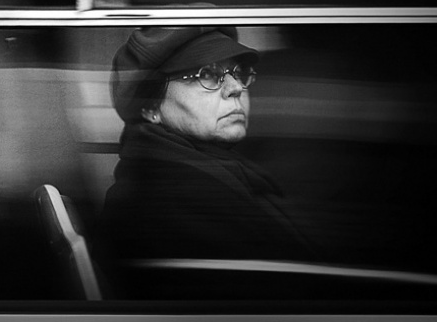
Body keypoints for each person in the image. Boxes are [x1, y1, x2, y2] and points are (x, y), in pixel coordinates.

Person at [95, 26, 321, 298]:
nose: (235, 88)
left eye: (238, 72)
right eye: (207, 75)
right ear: (150, 106)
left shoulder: (216, 171)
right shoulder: (165, 202)